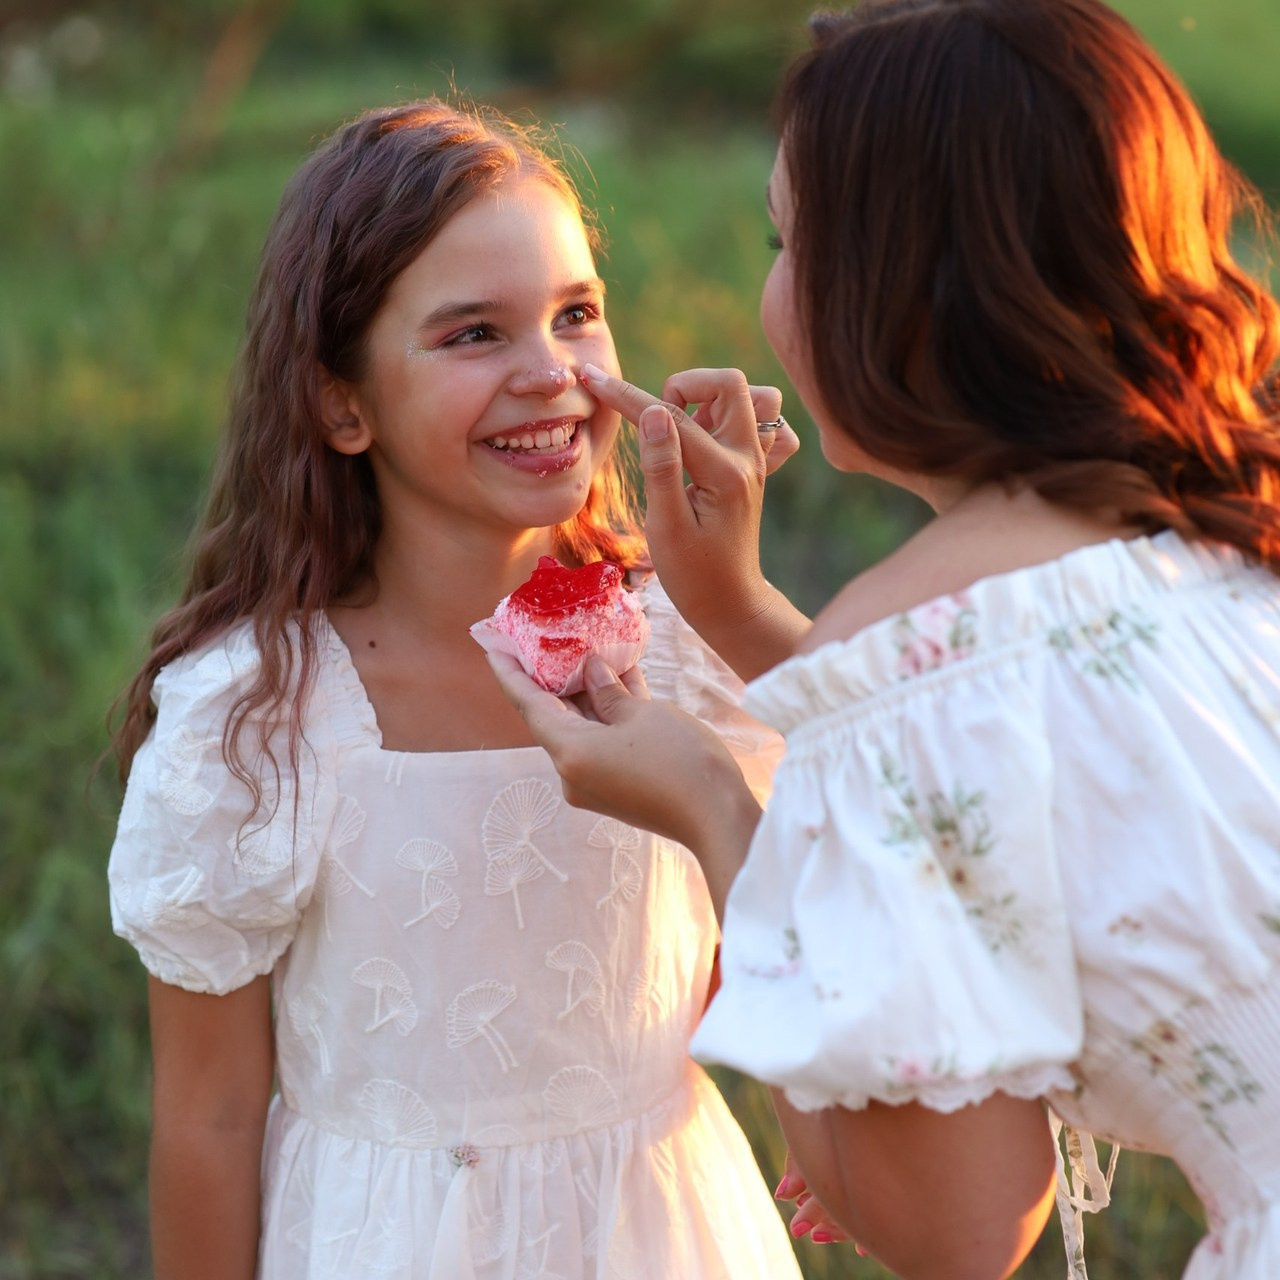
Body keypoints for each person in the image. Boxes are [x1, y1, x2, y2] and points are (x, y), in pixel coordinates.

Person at [488, 2, 1280, 1277]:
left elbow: (958, 1226)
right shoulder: (1227, 528)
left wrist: (714, 806)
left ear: (893, 291)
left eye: (783, 239)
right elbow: (1034, 751)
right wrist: (742, 613)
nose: (770, 287)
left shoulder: (908, 666)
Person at [105, 99, 808, 1280]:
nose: (551, 374)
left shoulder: (684, 645)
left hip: (658, 1231)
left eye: (576, 314)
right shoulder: (256, 711)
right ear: (341, 403)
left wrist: (732, 592)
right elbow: (209, 1116)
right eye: (473, 333)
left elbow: (835, 859)